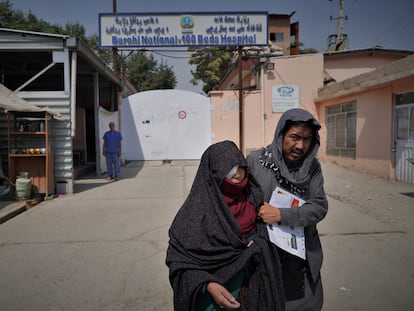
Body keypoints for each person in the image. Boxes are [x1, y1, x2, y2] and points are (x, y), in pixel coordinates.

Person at [166, 140, 285, 311]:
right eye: (229, 170)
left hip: (253, 290)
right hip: (211, 300)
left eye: (240, 168)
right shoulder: (195, 213)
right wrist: (207, 284)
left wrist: (258, 243)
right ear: (214, 174)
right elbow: (179, 262)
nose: (236, 175)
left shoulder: (254, 198)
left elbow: (266, 235)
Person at [247, 108, 328, 311]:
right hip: (264, 254)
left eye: (307, 139)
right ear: (281, 134)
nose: (300, 145)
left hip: (299, 257)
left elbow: (318, 207)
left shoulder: (312, 168)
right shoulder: (257, 162)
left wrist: (281, 215)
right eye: (294, 137)